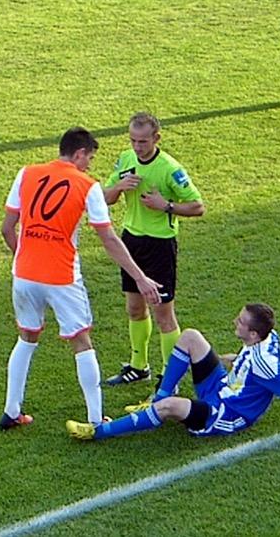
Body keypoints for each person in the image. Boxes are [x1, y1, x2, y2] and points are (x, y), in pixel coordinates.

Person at [0, 127, 162, 431]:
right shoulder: (87, 186)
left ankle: (11, 411)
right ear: (79, 153)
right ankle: (95, 419)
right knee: (82, 342)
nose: (89, 165)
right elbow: (108, 238)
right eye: (89, 158)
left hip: (23, 274)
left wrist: (26, 258)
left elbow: (7, 229)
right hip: (62, 277)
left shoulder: (26, 173)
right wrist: (140, 277)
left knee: (27, 338)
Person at [67, 303, 280, 458]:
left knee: (170, 407)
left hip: (226, 413)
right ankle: (156, 399)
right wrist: (219, 359)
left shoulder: (267, 364)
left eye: (241, 321)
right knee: (191, 337)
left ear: (253, 334)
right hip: (222, 387)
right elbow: (247, 364)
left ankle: (98, 431)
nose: (235, 321)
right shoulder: (266, 337)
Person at [101, 113, 204, 411]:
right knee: (134, 308)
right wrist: (119, 187)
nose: (137, 147)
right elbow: (104, 197)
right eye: (133, 140)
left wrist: (165, 206)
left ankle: (169, 380)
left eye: (143, 141)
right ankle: (138, 366)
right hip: (130, 242)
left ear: (156, 138)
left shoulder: (170, 169)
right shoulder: (125, 160)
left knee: (163, 314)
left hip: (159, 246)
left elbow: (198, 206)